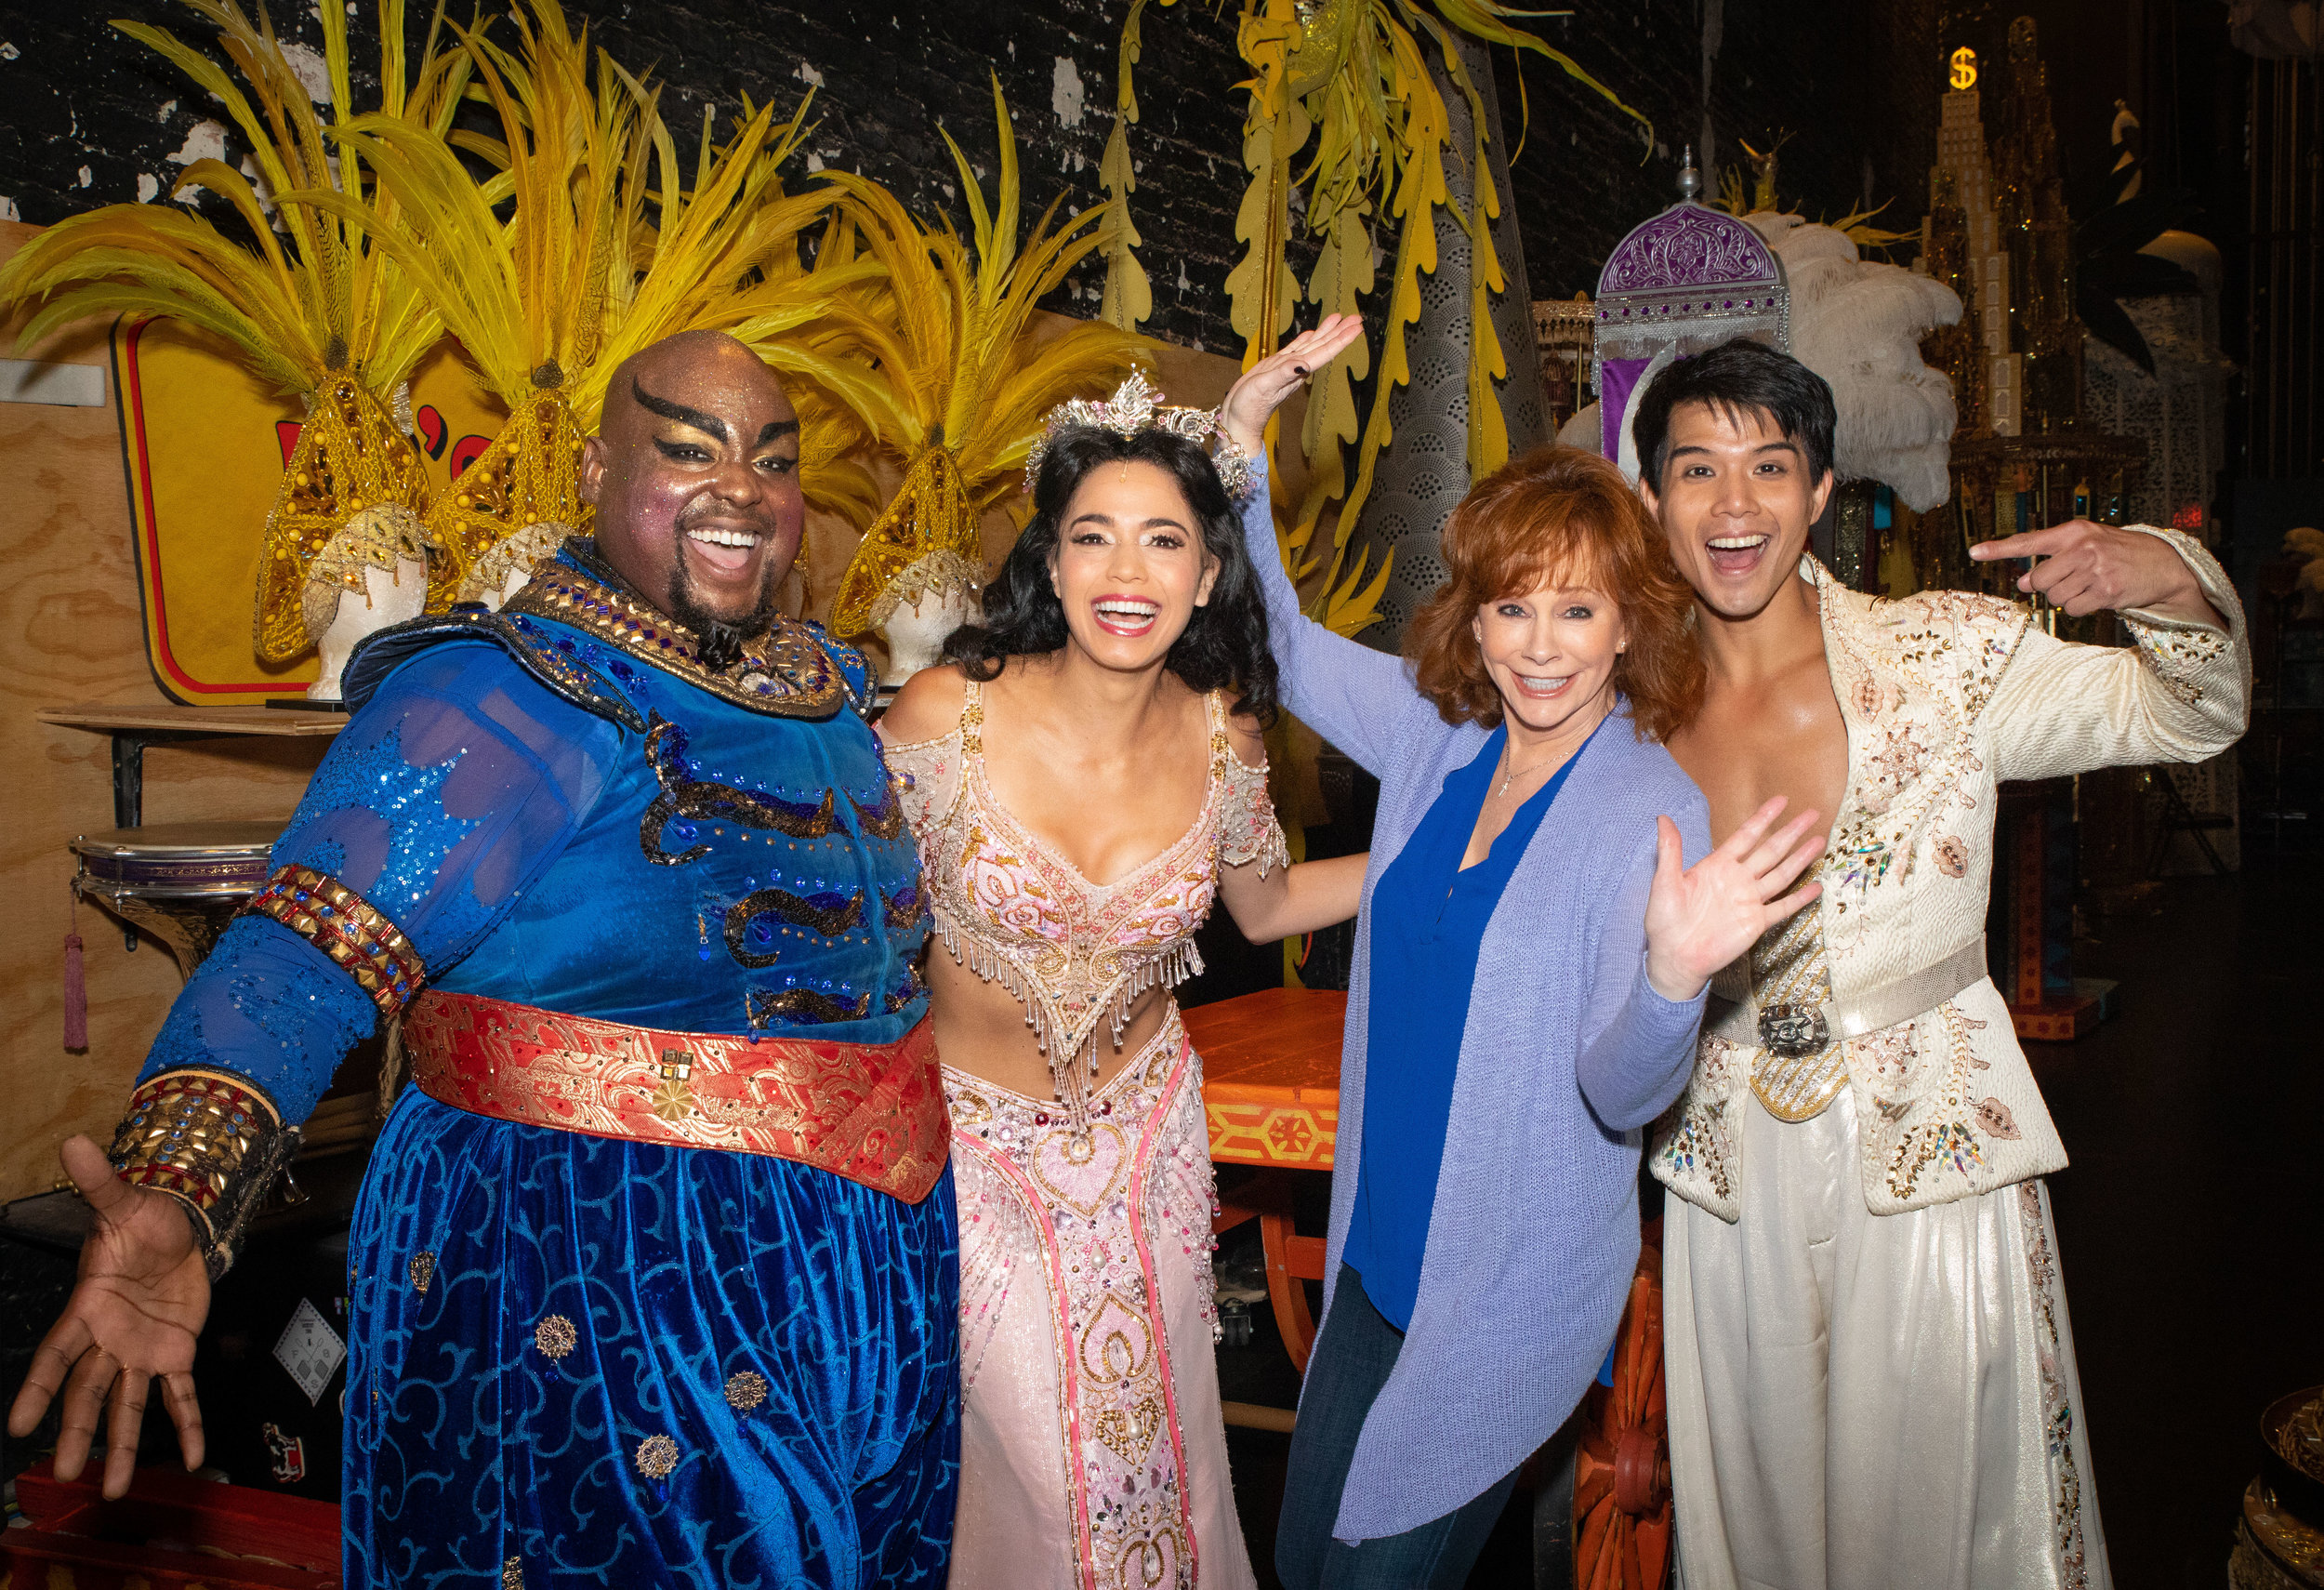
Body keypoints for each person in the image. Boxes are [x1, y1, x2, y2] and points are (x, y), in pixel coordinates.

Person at [8, 331, 960, 1589]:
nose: (741, 490)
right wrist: (182, 1193)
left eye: (771, 462)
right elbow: (300, 959)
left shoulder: (826, 684)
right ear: (593, 466)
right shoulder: (507, 692)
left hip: (864, 1275)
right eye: (688, 451)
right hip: (609, 1273)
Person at [1218, 316, 1829, 1588]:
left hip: (1506, 1285)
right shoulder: (1440, 736)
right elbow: (1275, 636)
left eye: (1576, 608)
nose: (1540, 645)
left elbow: (1622, 1094)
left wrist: (1675, 977)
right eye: (1511, 607)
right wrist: (1240, 447)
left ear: (1625, 625)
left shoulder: (1648, 811)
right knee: (1298, 1558)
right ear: (1476, 619)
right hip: (1384, 1253)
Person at [1632, 338, 2251, 1590]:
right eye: (1698, 470)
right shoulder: (1619, 702)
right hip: (1725, 1169)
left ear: (1820, 492)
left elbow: (2197, 717)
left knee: (1940, 1509)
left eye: (1770, 466)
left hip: (1926, 1147)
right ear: (1652, 500)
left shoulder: (1948, 658)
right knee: (1747, 1510)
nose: (1734, 503)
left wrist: (2170, 579)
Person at [878, 371, 1366, 1590]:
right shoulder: (946, 720)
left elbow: (1266, 902)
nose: (1126, 570)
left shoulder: (1223, 734)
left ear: (1206, 574)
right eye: (1093, 536)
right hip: (979, 1166)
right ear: (1053, 559)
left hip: (1151, 1148)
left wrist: (1454, 846)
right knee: (1042, 1500)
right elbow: (853, 930)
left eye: (1164, 540)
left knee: (1168, 1476)